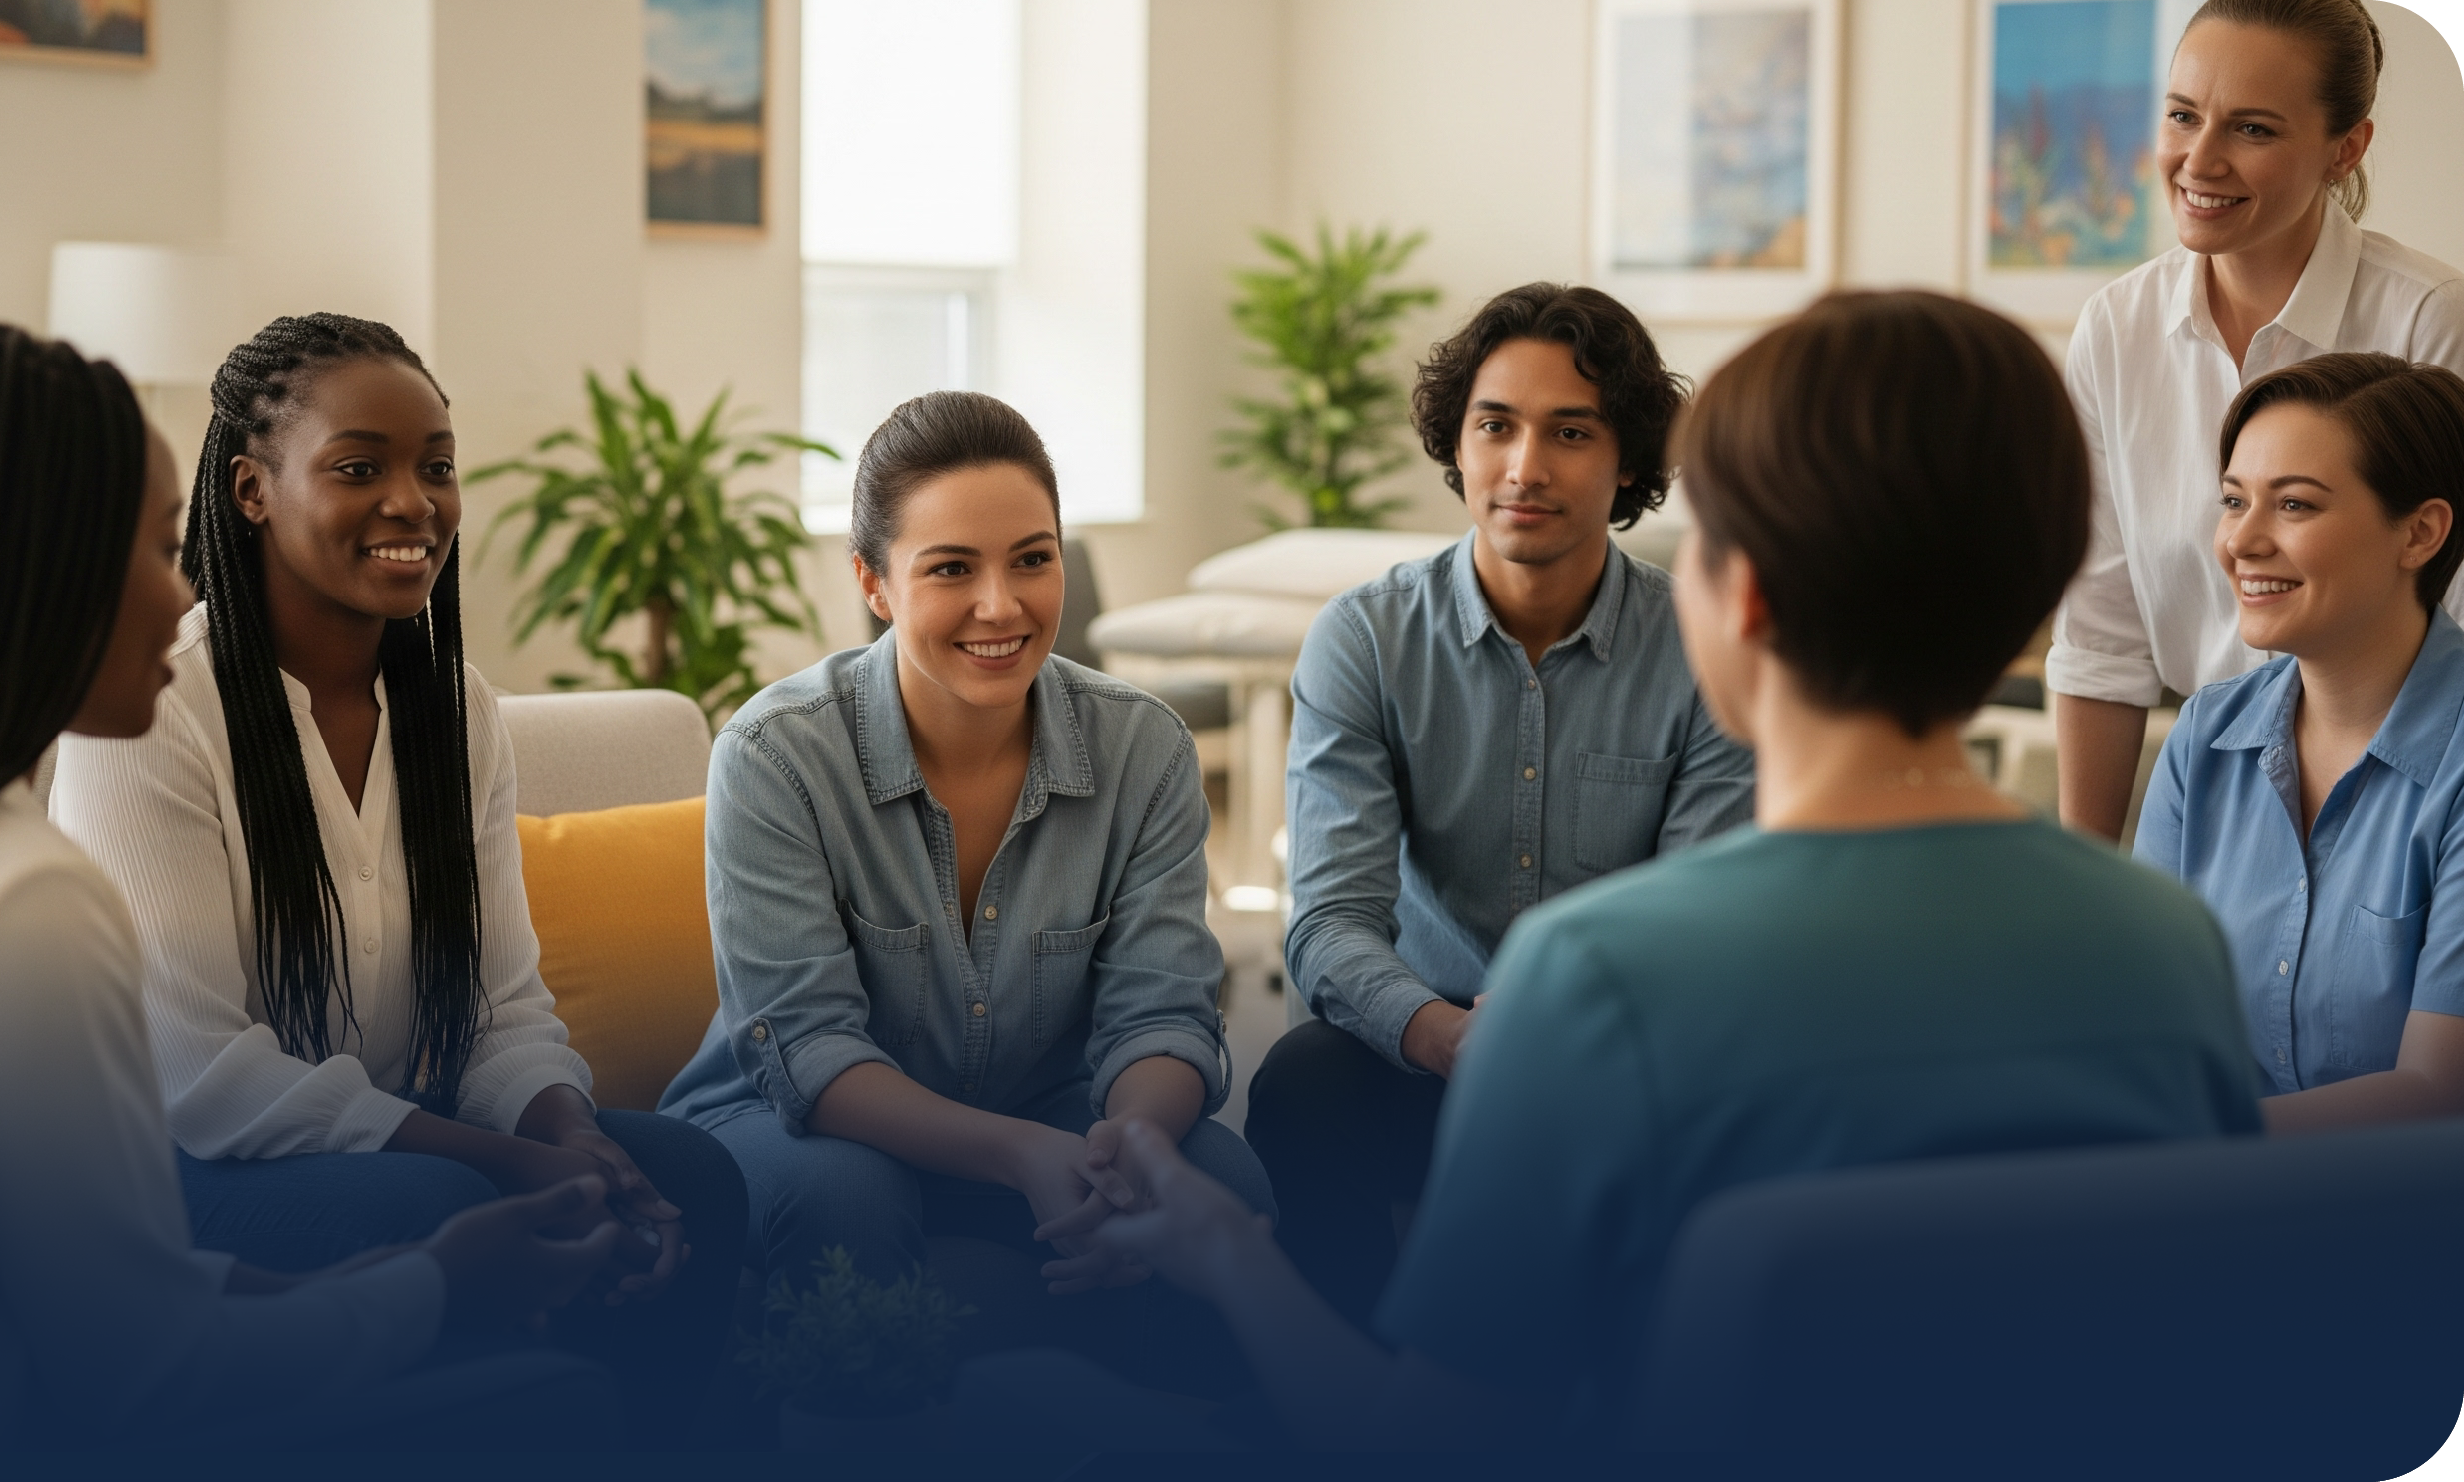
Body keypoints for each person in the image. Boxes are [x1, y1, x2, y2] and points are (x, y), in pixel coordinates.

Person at [1050, 292, 2264, 1452]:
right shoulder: (2169, 943)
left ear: (1737, 596)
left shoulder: (1604, 978)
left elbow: (1437, 1449)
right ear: (2035, 609)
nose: (1527, 465)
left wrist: (1224, 1250)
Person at [0, 325, 627, 1469]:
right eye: (151, 545)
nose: (183, 587)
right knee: (561, 1403)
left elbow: (65, 1285)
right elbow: (143, 1371)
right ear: (20, 571)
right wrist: (442, 1283)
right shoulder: (24, 899)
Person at [48, 313, 743, 1433]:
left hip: (399, 1136)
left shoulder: (455, 708)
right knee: (440, 1194)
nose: (414, 501)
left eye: (436, 467)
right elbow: (193, 1074)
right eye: (359, 468)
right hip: (184, 1171)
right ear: (251, 490)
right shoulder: (153, 709)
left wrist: (569, 1136)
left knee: (688, 1175)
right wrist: (502, 1163)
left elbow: (502, 1009)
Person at [657, 390, 1274, 1390]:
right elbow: (810, 1049)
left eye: (1033, 558)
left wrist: (1131, 1149)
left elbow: (1160, 1009)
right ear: (874, 583)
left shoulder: (1142, 747)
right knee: (843, 1200)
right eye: (951, 569)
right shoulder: (776, 753)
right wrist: (1022, 1156)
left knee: (1219, 1177)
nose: (1003, 605)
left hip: (1051, 1105)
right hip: (797, 1122)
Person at [1244, 282, 1752, 1328]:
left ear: (1627, 463)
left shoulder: (1701, 643)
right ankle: (1352, 1403)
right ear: (1458, 444)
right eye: (1496, 426)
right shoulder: (1367, 640)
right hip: (1419, 1050)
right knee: (1299, 1083)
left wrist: (1568, 1048)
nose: (1526, 467)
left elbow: (1705, 926)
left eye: (1571, 432)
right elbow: (1328, 924)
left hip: (1619, 1067)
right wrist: (1443, 1036)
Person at [2053, 0, 2464, 839]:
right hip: (2198, 788)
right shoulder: (2116, 329)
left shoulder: (2431, 320)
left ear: (2345, 147)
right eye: (2181, 116)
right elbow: (2102, 643)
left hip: (2405, 789)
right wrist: (2080, 892)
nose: (2198, 160)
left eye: (2253, 129)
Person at [2136, 354, 2464, 1132]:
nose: (2240, 542)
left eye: (2294, 506)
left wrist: (2172, 1141)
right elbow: (2144, 1026)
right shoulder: (2205, 736)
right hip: (2205, 1210)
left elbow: (2439, 1092)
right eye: (2232, 501)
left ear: (2419, 532)